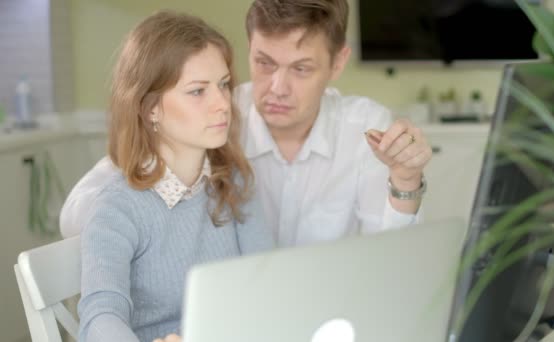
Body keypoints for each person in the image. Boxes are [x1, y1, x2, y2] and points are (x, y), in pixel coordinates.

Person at [61, 0, 433, 247]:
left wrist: (404, 181)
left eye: (301, 69)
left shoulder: (365, 127)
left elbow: (391, 256)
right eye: (265, 62)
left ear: (338, 63)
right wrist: (161, 171)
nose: (277, 88)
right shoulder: (212, 116)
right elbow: (75, 217)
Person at [77, 11, 274, 342]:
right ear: (151, 107)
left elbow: (268, 284)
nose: (222, 104)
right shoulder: (117, 208)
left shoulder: (235, 182)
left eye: (224, 85)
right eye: (198, 91)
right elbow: (101, 313)